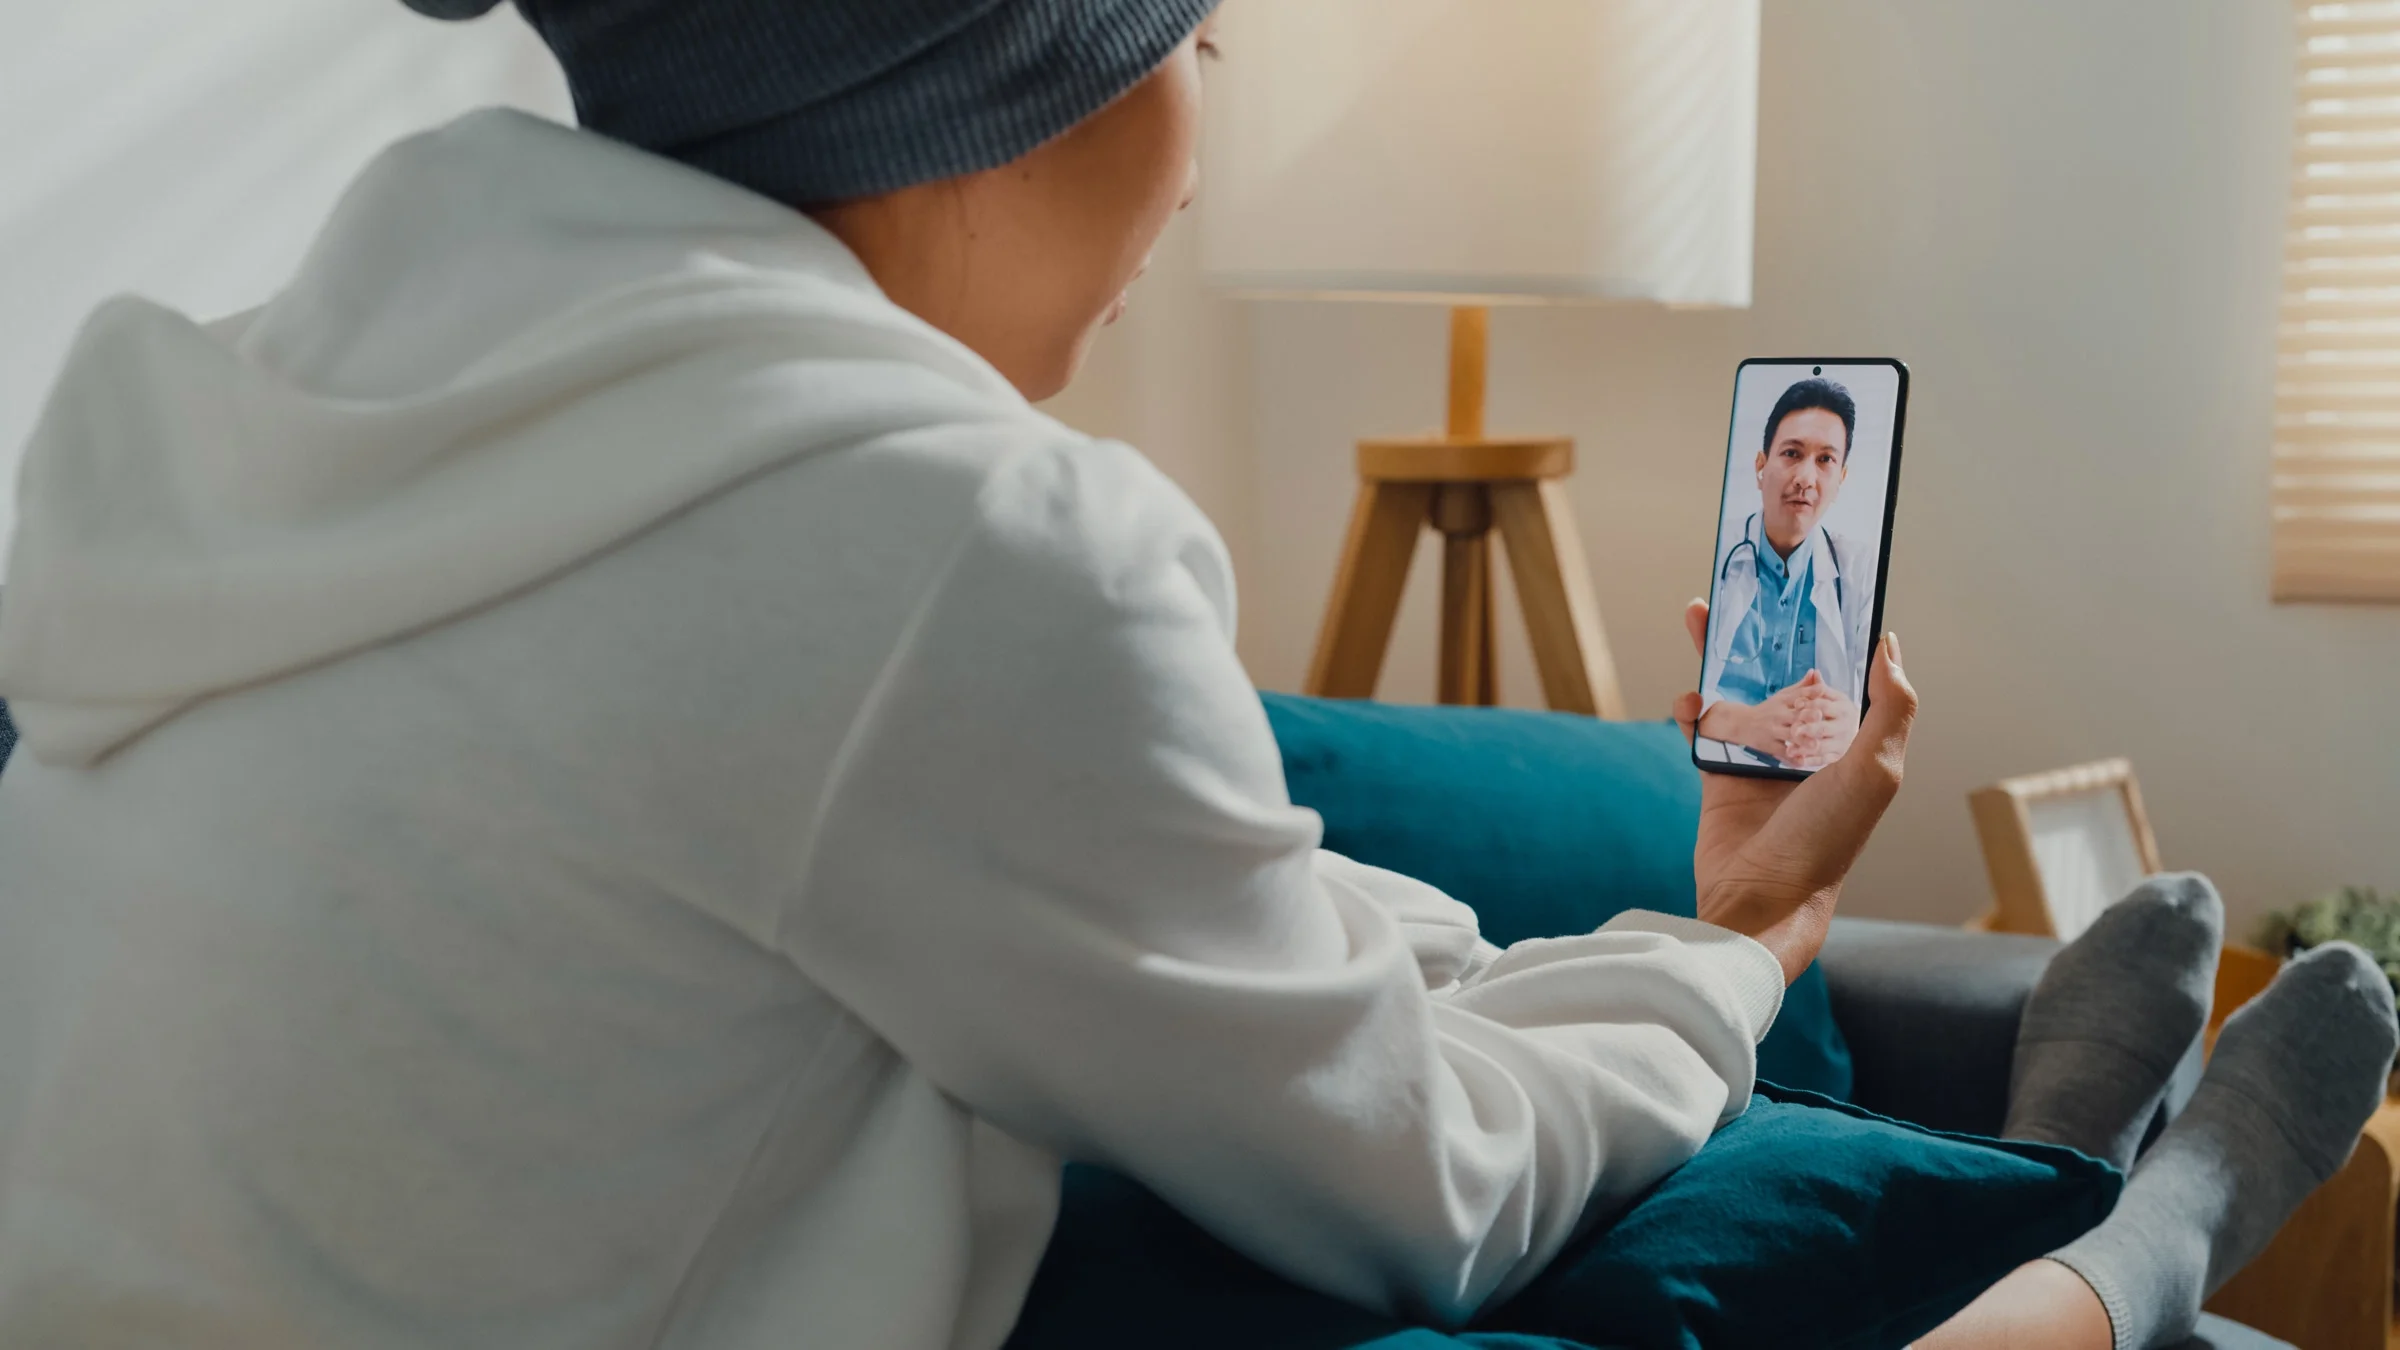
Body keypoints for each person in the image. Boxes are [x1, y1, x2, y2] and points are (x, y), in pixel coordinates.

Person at [0, 4, 2383, 1350]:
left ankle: (2069, 1201)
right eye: (1201, 31)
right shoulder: (937, 533)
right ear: (996, 78)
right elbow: (1418, 1188)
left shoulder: (243, 425)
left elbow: (1131, 912)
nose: (1208, 127)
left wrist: (1573, 953)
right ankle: (2116, 1235)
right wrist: (1724, 943)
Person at [1698, 377, 1877, 770]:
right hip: (1714, 771)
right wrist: (1743, 722)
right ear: (1761, 465)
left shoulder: (1859, 571)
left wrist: (1854, 724)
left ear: (1841, 478)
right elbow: (1683, 699)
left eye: (1826, 460)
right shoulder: (1714, 551)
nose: (1806, 479)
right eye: (1792, 453)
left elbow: (1866, 707)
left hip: (1815, 784)